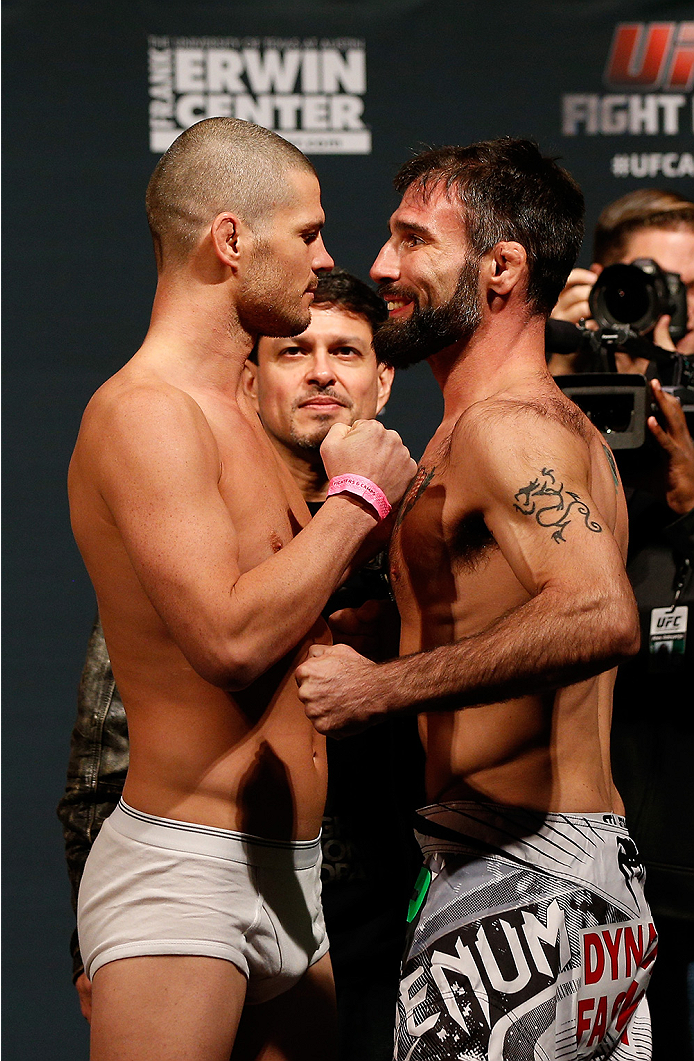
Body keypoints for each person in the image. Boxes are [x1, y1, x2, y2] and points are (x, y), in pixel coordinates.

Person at [295, 139, 656, 1059]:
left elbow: (601, 612)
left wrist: (377, 688)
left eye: (413, 240)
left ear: (500, 269)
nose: (381, 267)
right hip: (566, 882)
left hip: (525, 888)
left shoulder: (505, 429)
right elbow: (518, 610)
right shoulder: (525, 424)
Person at [66, 117, 416, 1061]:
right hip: (185, 867)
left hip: (291, 875)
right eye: (307, 234)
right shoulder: (147, 411)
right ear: (230, 240)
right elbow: (226, 643)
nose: (326, 259)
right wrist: (359, 500)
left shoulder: (238, 419)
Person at [550, 189, 694, 1059]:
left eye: (689, 290)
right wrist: (555, 379)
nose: (669, 311)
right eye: (648, 285)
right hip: (584, 879)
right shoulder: (545, 425)